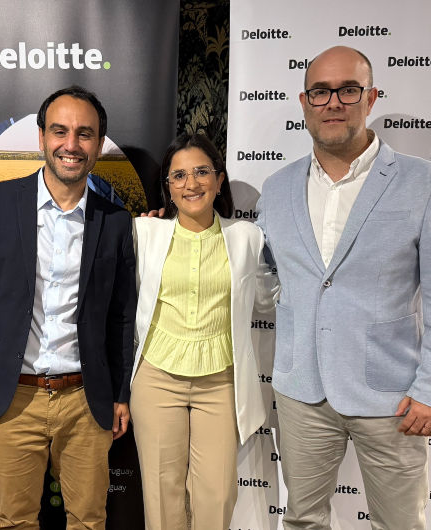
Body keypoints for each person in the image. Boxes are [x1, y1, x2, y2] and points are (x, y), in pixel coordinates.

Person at [256, 46, 431, 529]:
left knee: (398, 524)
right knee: (302, 520)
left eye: (348, 89)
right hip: (302, 390)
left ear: (370, 97)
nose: (333, 102)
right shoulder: (277, 187)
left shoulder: (429, 184)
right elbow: (271, 278)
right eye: (320, 91)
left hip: (392, 397)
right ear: (304, 101)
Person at [0, 85, 136, 530]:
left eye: (85, 134)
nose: (71, 144)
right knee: (14, 522)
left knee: (89, 520)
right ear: (41, 138)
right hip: (12, 397)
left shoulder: (115, 220)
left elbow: (121, 316)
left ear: (98, 145)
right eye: (60, 131)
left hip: (85, 399)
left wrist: (121, 393)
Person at [129, 133, 277, 530]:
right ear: (168, 188)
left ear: (219, 179)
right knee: (162, 498)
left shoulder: (248, 237)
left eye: (200, 172)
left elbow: (266, 301)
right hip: (156, 378)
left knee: (217, 496)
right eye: (178, 176)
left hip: (221, 382)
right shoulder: (144, 233)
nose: (190, 183)